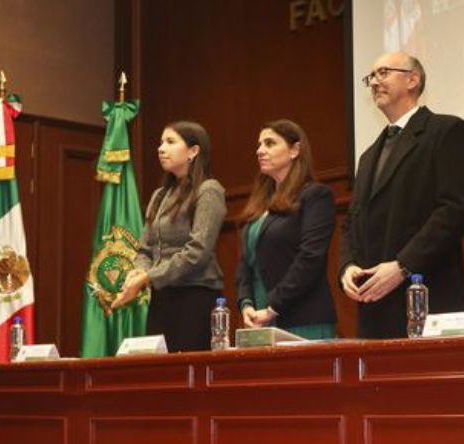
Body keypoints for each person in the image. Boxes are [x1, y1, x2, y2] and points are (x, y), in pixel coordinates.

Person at [341, 51, 464, 339]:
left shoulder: (446, 131)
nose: (375, 82)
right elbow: (352, 221)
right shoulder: (367, 157)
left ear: (413, 80)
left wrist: (404, 266)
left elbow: (455, 210)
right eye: (372, 77)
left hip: (427, 296)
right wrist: (348, 266)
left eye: (384, 73)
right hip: (374, 307)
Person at [113, 121, 226, 351]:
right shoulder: (159, 195)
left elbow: (198, 252)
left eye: (170, 142)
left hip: (195, 297)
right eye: (161, 142)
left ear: (193, 151)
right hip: (162, 297)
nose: (161, 148)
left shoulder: (209, 190)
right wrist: (139, 271)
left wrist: (148, 278)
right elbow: (145, 248)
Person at [235, 119, 337, 339]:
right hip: (259, 321)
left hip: (302, 319)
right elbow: (245, 263)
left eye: (270, 143)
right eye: (259, 145)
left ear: (294, 150)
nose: (260, 151)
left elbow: (311, 258)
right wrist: (246, 304)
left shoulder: (315, 196)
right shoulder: (259, 204)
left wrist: (273, 306)